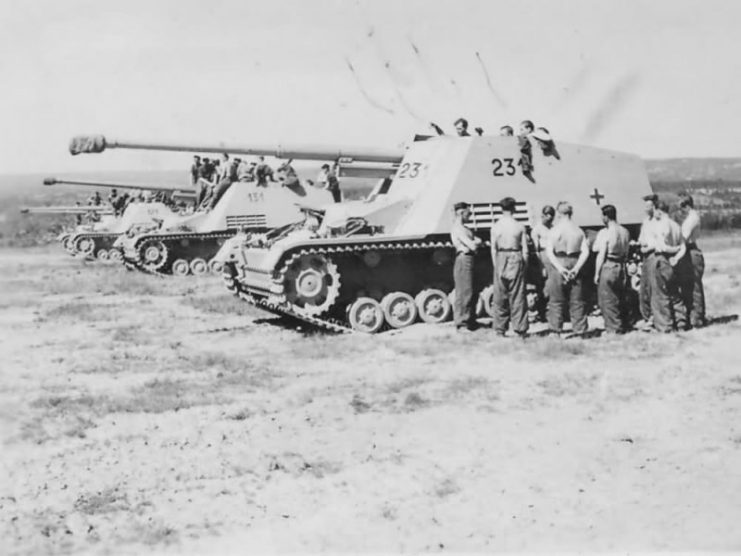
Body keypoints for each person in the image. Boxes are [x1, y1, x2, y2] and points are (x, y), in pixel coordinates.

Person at [545, 201, 590, 335]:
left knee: (556, 300)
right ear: (571, 213)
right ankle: (580, 330)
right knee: (577, 300)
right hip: (575, 260)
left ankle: (555, 330)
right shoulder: (578, 230)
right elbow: (585, 251)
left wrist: (560, 268)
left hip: (559, 260)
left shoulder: (554, 230)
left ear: (558, 213)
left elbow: (549, 251)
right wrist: (576, 268)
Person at [490, 197, 529, 337]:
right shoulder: (519, 226)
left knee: (500, 296)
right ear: (514, 208)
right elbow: (525, 250)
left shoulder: (496, 226)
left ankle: (500, 329)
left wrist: (496, 265)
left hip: (501, 256)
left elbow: (493, 249)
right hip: (515, 255)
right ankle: (520, 329)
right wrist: (524, 265)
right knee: (518, 295)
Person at [593, 204, 631, 333]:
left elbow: (600, 253)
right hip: (621, 265)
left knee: (607, 299)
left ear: (606, 217)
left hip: (609, 265)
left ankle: (613, 328)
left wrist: (597, 274)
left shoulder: (606, 232)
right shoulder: (625, 231)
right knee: (621, 297)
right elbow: (626, 251)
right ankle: (623, 325)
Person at [650, 201, 687, 332]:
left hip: (662, 258)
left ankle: (666, 326)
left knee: (661, 295)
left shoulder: (662, 225)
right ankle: (681, 322)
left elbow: (663, 246)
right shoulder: (676, 225)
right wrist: (676, 257)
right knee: (675, 294)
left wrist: (672, 250)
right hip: (674, 261)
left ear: (658, 210)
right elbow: (683, 247)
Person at [451, 202, 482, 331]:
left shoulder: (465, 228)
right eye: (468, 213)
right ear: (461, 213)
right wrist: (475, 242)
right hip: (464, 258)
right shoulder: (458, 228)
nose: (469, 216)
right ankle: (462, 323)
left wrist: (475, 242)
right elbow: (473, 245)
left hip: (469, 258)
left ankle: (469, 320)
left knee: (471, 290)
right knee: (464, 292)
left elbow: (477, 240)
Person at [677, 194, 706, 328]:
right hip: (689, 251)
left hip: (690, 252)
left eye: (681, 207)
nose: (680, 211)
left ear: (687, 206)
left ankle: (697, 318)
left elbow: (684, 236)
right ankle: (694, 316)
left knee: (694, 287)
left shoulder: (692, 219)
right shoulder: (692, 217)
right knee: (689, 286)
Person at [530, 205, 555, 321]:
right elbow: (536, 249)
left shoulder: (554, 228)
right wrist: (541, 266)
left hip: (553, 256)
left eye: (551, 217)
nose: (548, 219)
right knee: (543, 287)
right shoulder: (537, 229)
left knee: (553, 285)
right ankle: (542, 312)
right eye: (546, 216)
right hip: (543, 256)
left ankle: (551, 312)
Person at [637, 193, 659, 326]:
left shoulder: (658, 222)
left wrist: (648, 248)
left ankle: (654, 317)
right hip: (645, 256)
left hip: (653, 255)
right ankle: (646, 316)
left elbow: (659, 242)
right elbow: (642, 238)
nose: (646, 209)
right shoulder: (645, 222)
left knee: (653, 287)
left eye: (648, 206)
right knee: (644, 288)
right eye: (645, 206)